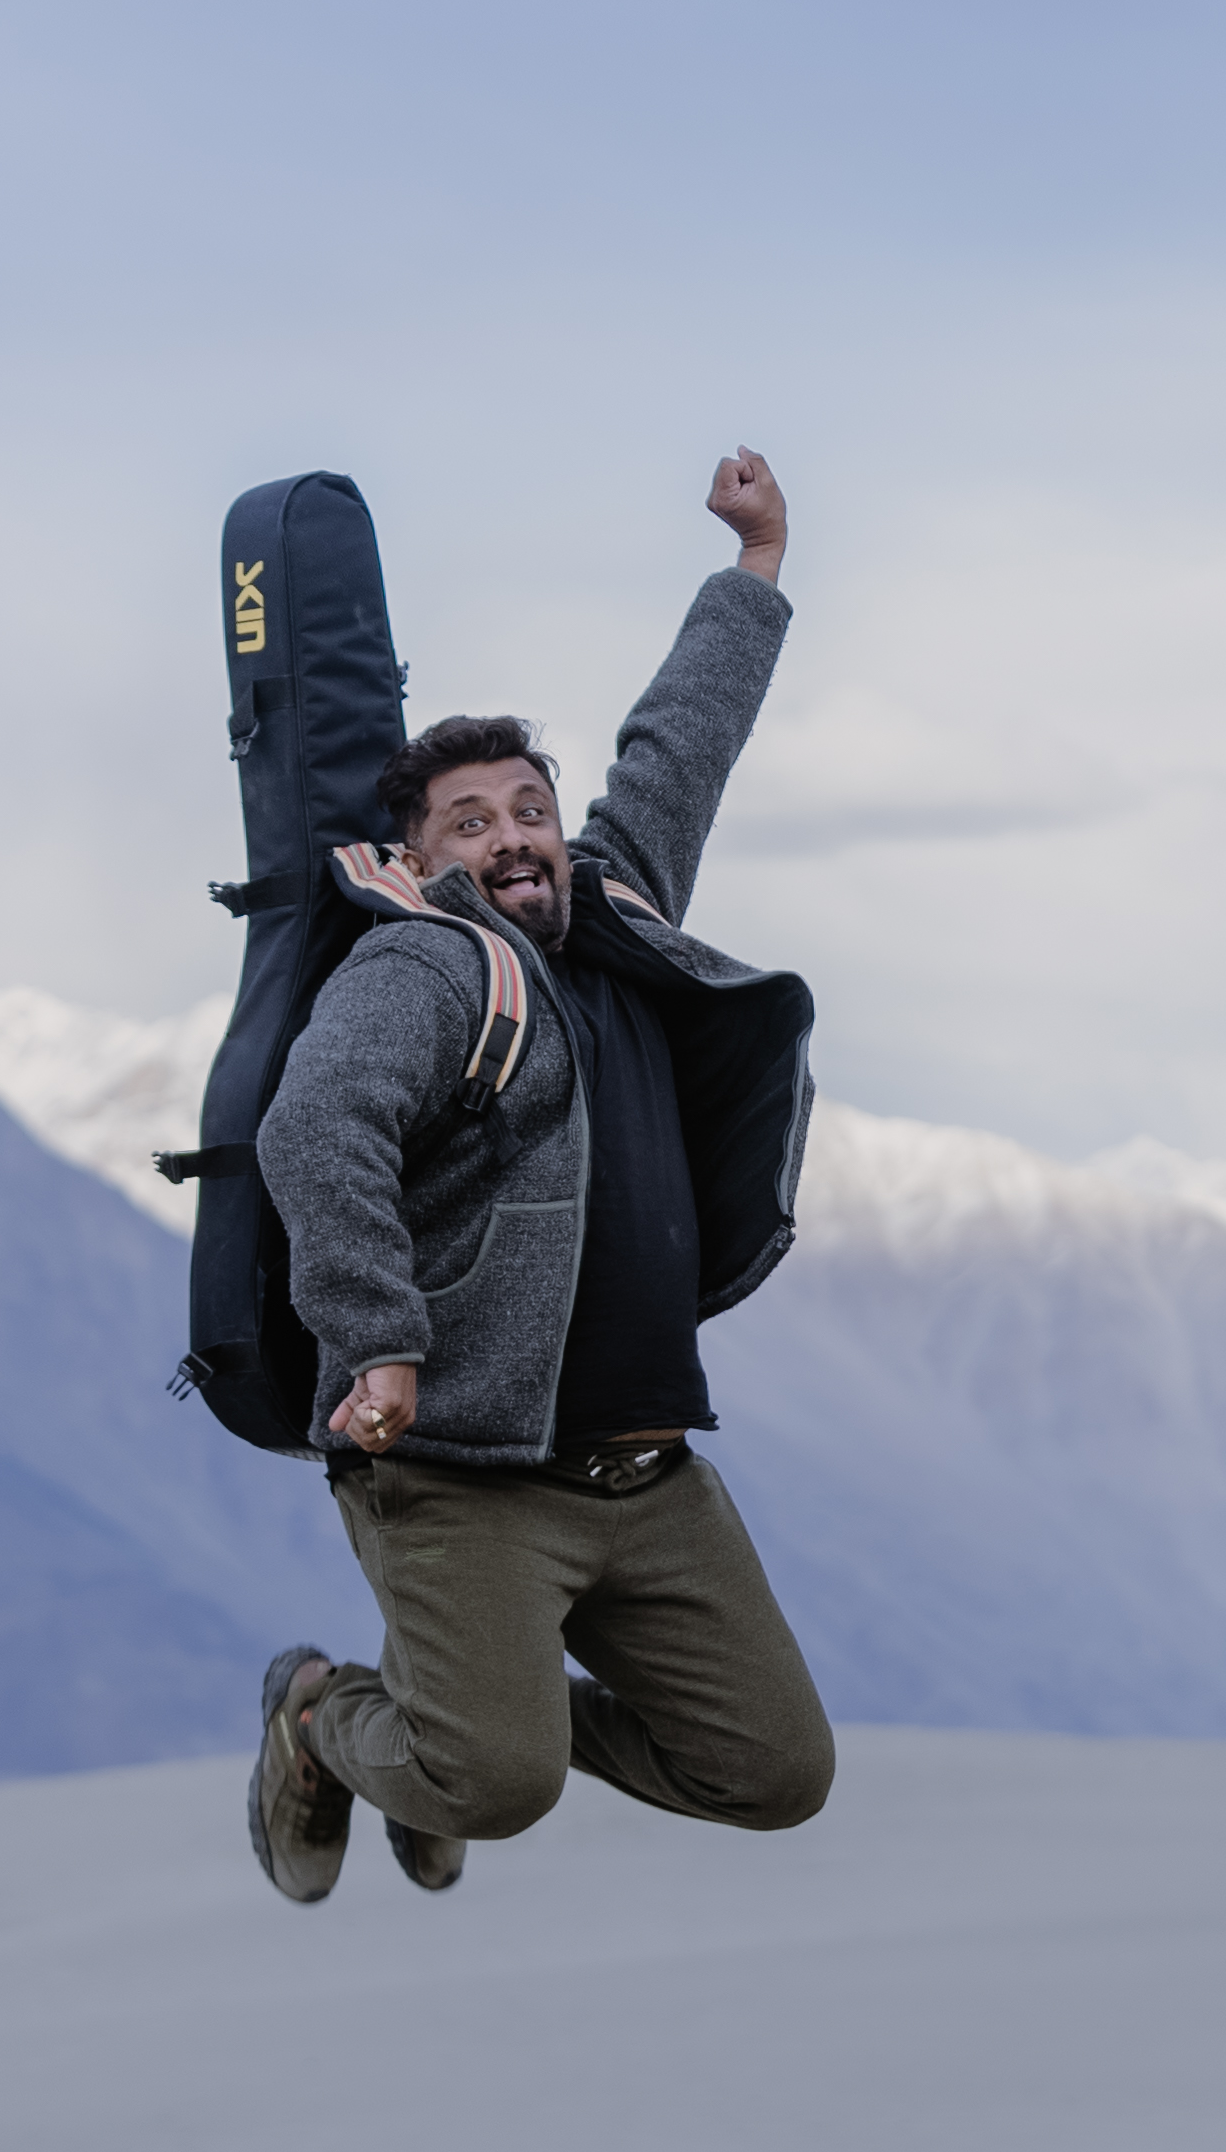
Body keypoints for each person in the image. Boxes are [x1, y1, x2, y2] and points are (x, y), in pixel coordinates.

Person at [242, 450, 834, 1901]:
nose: (513, 836)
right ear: (418, 857)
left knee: (773, 1772)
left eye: (528, 807)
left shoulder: (617, 907)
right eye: (471, 821)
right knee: (501, 1786)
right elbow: (316, 1127)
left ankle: (444, 1717)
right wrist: (375, 1335)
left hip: (646, 1472)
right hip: (462, 1477)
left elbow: (679, 743)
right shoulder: (426, 969)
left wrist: (753, 568)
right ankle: (326, 1716)